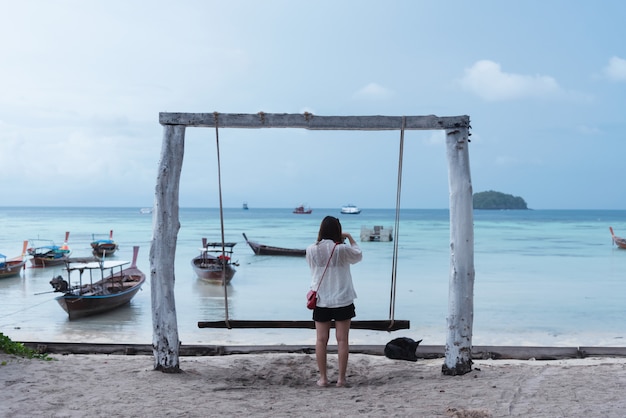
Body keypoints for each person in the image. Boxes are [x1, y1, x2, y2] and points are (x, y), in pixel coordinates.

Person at [306, 216, 362, 387]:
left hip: (321, 299)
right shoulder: (342, 249)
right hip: (342, 298)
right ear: (338, 231)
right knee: (342, 340)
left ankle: (323, 378)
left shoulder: (311, 249)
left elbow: (313, 269)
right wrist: (350, 237)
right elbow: (358, 256)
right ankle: (341, 379)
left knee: (321, 340)